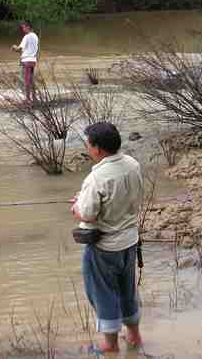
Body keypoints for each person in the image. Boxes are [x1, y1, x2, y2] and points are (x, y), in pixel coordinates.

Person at [70, 122, 144, 353]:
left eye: (89, 145)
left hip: (104, 246)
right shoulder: (132, 164)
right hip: (130, 241)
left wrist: (76, 209)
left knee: (103, 294)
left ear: (98, 149)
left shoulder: (97, 177)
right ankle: (134, 336)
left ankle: (109, 346)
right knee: (127, 290)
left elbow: (88, 215)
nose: (88, 149)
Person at [11, 20, 39, 102]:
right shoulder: (35, 36)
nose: (23, 29)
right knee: (31, 79)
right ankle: (34, 97)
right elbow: (27, 50)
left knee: (26, 80)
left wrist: (14, 47)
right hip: (33, 61)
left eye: (23, 27)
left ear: (28, 27)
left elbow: (19, 49)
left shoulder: (27, 37)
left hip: (26, 61)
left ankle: (27, 99)